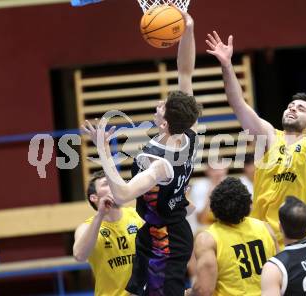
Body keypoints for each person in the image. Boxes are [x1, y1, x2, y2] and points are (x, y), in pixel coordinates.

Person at [82, 11, 200, 296]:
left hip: (167, 239)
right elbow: (185, 71)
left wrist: (103, 153)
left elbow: (122, 195)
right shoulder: (189, 130)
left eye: (164, 105)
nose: (161, 102)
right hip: (159, 231)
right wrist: (189, 30)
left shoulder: (159, 164)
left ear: (165, 122)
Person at [205, 31, 306, 248]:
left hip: (299, 240)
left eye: (300, 109)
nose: (292, 109)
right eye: (291, 106)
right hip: (263, 240)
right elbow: (237, 103)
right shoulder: (268, 136)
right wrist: (226, 65)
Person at [186, 177, 277, 296]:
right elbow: (280, 272)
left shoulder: (207, 239)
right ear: (248, 203)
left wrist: (188, 293)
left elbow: (204, 290)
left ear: (214, 204)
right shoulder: (265, 228)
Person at [73, 170, 143, 296]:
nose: (113, 186)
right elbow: (79, 256)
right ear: (94, 198)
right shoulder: (86, 227)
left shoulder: (137, 216)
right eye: (106, 183)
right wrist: (100, 214)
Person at [187, 162, 228, 235]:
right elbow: (202, 219)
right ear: (208, 171)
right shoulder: (199, 186)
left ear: (226, 170)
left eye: (221, 169)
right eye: (214, 170)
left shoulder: (232, 186)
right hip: (205, 230)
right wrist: (211, 194)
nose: (218, 173)